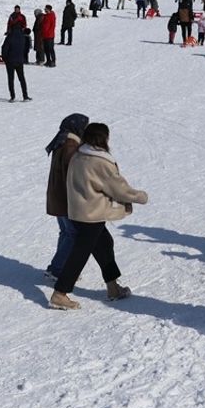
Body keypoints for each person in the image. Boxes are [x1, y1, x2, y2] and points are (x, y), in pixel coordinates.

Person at [50, 123, 147, 310]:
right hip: (91, 214)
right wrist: (140, 197)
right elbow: (117, 187)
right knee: (80, 252)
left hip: (80, 212)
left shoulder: (79, 155)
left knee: (104, 244)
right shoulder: (99, 161)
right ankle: (60, 293)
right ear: (103, 139)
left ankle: (112, 287)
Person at [44, 113, 88, 281]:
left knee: (66, 232)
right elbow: (73, 175)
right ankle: (58, 268)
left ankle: (57, 267)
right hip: (65, 198)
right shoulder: (70, 146)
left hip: (57, 196)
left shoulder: (62, 141)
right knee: (73, 234)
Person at [1, 27, 31, 102]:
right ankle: (25, 96)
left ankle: (12, 96)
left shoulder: (10, 37)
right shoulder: (22, 37)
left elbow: (4, 48)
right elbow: (25, 48)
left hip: (10, 61)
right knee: (22, 78)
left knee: (11, 79)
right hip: (19, 61)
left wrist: (4, 58)